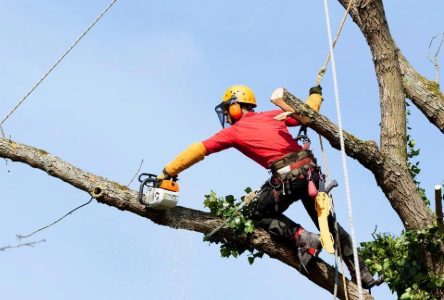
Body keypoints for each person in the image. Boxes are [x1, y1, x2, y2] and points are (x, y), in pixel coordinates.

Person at [157, 85, 376, 289]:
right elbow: (308, 112)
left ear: (235, 107)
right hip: (310, 173)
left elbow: (200, 149)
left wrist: (169, 171)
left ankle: (302, 237)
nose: (226, 116)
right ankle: (362, 271)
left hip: (288, 178)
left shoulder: (234, 131)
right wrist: (316, 93)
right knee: (327, 224)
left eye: (227, 110)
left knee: (256, 214)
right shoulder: (273, 115)